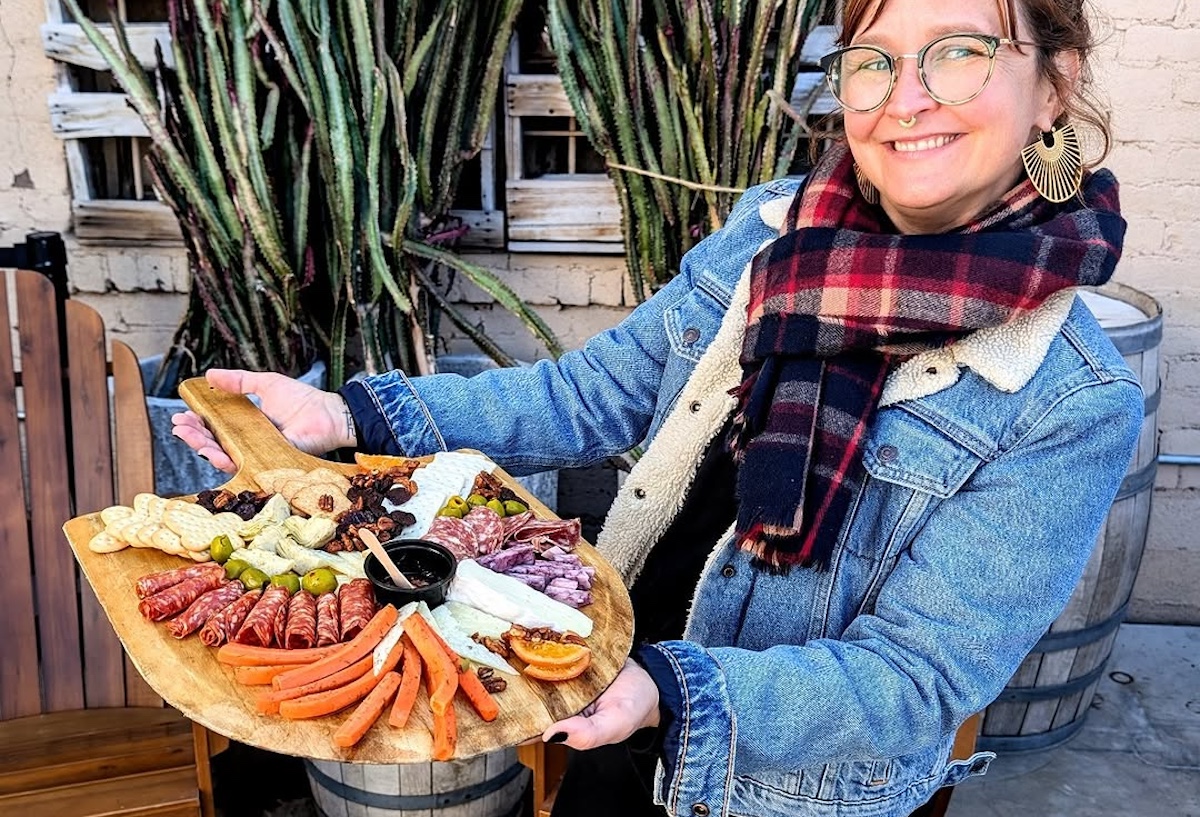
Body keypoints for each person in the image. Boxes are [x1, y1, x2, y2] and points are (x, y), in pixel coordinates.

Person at [173, 0, 1144, 814]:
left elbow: (914, 678)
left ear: (1052, 85)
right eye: (873, 60)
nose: (907, 97)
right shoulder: (773, 232)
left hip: (774, 786)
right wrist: (347, 419)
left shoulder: (1066, 398)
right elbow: (588, 394)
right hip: (620, 701)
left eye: (960, 52)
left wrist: (671, 689)